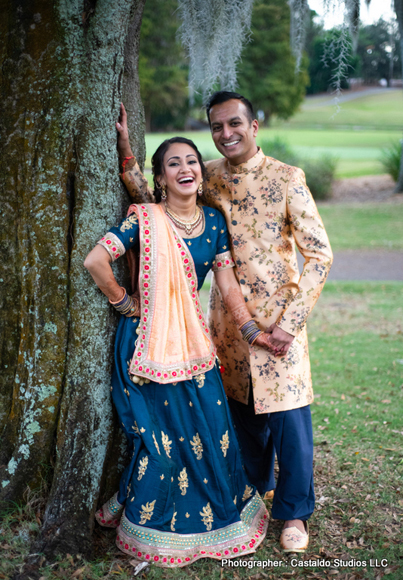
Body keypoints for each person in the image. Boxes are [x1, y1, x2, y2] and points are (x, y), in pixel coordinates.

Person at [116, 91, 333, 553]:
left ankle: (294, 512)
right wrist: (126, 152)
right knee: (241, 415)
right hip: (223, 324)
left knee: (290, 422)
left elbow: (320, 256)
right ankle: (253, 489)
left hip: (278, 323)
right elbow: (157, 203)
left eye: (235, 123)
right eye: (217, 127)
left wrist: (290, 324)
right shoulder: (207, 175)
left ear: (255, 126)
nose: (226, 133)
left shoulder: (287, 178)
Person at [84, 136, 272, 568]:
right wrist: (123, 303)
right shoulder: (144, 221)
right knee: (161, 442)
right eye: (174, 163)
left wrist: (249, 329)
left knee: (212, 432)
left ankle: (195, 514)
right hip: (147, 345)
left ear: (201, 173)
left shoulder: (213, 222)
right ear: (161, 176)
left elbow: (226, 287)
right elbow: (95, 260)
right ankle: (144, 514)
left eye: (192, 161)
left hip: (192, 345)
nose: (185, 168)